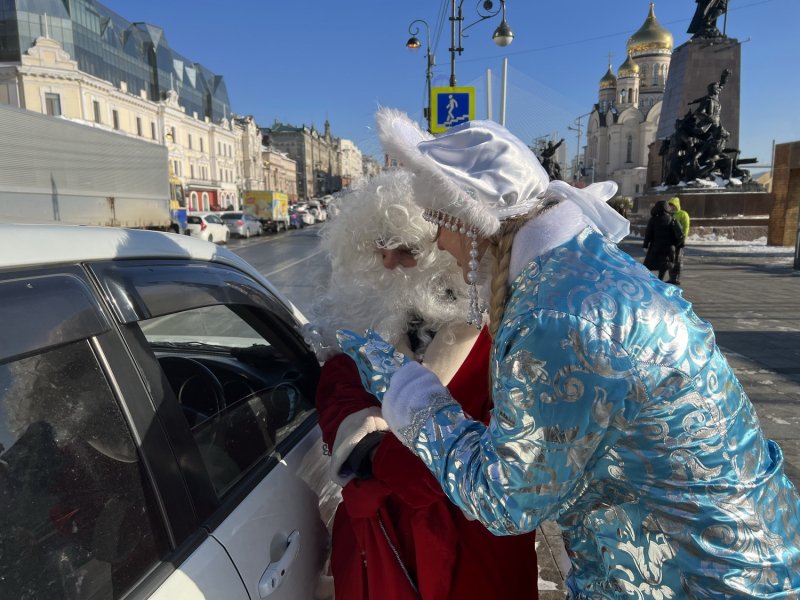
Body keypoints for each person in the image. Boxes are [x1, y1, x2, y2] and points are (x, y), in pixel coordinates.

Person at [337, 108, 800, 597]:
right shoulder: (576, 270)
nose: (439, 242)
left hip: (696, 578)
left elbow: (506, 499)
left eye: (439, 223)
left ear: (469, 221)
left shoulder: (553, 317)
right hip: (716, 557)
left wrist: (412, 397)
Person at [304, 170, 539, 600]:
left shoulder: (505, 328)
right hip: (382, 543)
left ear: (446, 251)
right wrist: (371, 446)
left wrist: (385, 456)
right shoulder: (357, 316)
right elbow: (337, 389)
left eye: (406, 249)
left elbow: (515, 447)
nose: (388, 261)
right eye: (377, 247)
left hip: (474, 544)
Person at [642, 199, 682, 281]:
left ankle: (647, 281)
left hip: (655, 247)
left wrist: (645, 245)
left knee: (648, 266)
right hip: (669, 248)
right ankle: (660, 280)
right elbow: (679, 233)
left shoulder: (653, 220)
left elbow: (648, 234)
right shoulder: (672, 219)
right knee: (664, 264)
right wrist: (678, 245)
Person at [667, 196, 691, 284]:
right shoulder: (669, 214)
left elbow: (686, 226)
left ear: (677, 205)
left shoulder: (683, 214)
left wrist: (683, 237)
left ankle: (677, 278)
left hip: (679, 240)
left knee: (678, 259)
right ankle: (671, 277)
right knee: (670, 259)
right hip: (670, 241)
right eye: (670, 205)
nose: (671, 207)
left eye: (672, 205)